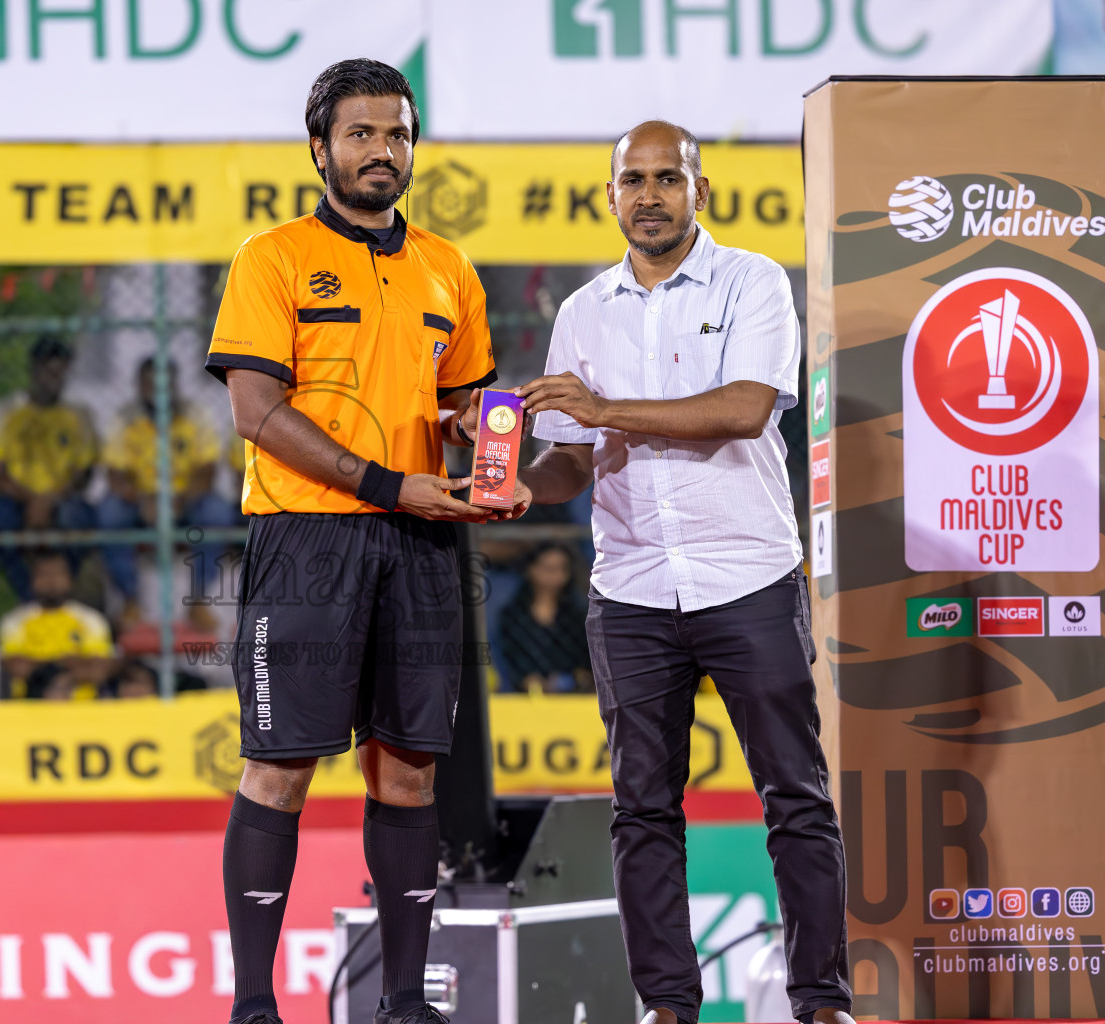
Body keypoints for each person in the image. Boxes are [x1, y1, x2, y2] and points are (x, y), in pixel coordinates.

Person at [202, 58, 526, 1024]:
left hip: (424, 546)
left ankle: (401, 1003)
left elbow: (468, 402)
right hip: (306, 540)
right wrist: (388, 483)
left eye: (397, 133)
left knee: (409, 767)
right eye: (360, 134)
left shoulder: (447, 268)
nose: (382, 150)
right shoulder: (274, 257)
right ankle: (256, 1005)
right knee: (280, 765)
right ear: (320, 150)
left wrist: (484, 436)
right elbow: (258, 412)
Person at [515, 121, 853, 1024]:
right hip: (628, 591)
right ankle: (667, 1006)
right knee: (643, 812)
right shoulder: (583, 313)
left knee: (796, 798)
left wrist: (601, 409)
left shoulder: (755, 283)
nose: (652, 195)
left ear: (701, 190)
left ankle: (821, 1001)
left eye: (670, 178)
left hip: (746, 577)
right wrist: (506, 476)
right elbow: (569, 457)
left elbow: (744, 411)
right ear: (612, 194)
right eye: (635, 179)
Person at [97, 355, 239, 624]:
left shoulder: (195, 416)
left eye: (163, 383)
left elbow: (207, 470)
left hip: (185, 501)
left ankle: (198, 601)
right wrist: (142, 501)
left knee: (217, 512)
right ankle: (131, 601)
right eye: (149, 383)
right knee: (110, 513)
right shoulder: (125, 419)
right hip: (140, 504)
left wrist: (179, 501)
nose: (157, 389)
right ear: (139, 385)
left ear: (175, 384)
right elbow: (115, 474)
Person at [0, 334, 98, 601]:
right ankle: (30, 598)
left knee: (78, 520)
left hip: (61, 498)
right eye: (48, 370)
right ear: (34, 371)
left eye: (61, 371)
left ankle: (60, 594)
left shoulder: (79, 415)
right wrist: (32, 501)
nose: (54, 377)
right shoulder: (5, 411)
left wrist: (48, 500)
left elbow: (83, 474)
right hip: (16, 497)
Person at [0, 549, 116, 700]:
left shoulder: (91, 619)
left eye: (57, 574)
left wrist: (39, 664)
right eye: (44, 575)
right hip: (28, 708)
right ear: (32, 580)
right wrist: (72, 663)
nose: (51, 581)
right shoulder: (15, 621)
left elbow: (98, 671)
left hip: (83, 709)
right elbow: (17, 667)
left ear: (71, 579)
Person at [495, 542, 592, 693]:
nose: (555, 575)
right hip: (519, 699)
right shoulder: (513, 615)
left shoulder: (579, 615)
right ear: (530, 569)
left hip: (574, 699)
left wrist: (570, 680)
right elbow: (508, 662)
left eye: (562, 568)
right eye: (548, 568)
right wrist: (526, 680)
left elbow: (586, 666)